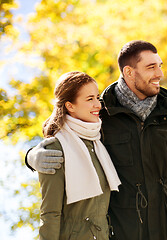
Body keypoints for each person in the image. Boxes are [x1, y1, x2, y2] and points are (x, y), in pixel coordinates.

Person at [26, 41, 167, 240]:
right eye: (151, 67)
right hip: (120, 232)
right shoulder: (103, 111)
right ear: (129, 72)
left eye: (159, 65)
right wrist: (31, 156)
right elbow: (67, 135)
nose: (159, 74)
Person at [37, 71, 121, 240]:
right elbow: (50, 213)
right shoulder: (56, 148)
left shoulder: (98, 142)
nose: (98, 105)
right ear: (70, 106)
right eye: (90, 99)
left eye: (97, 97)